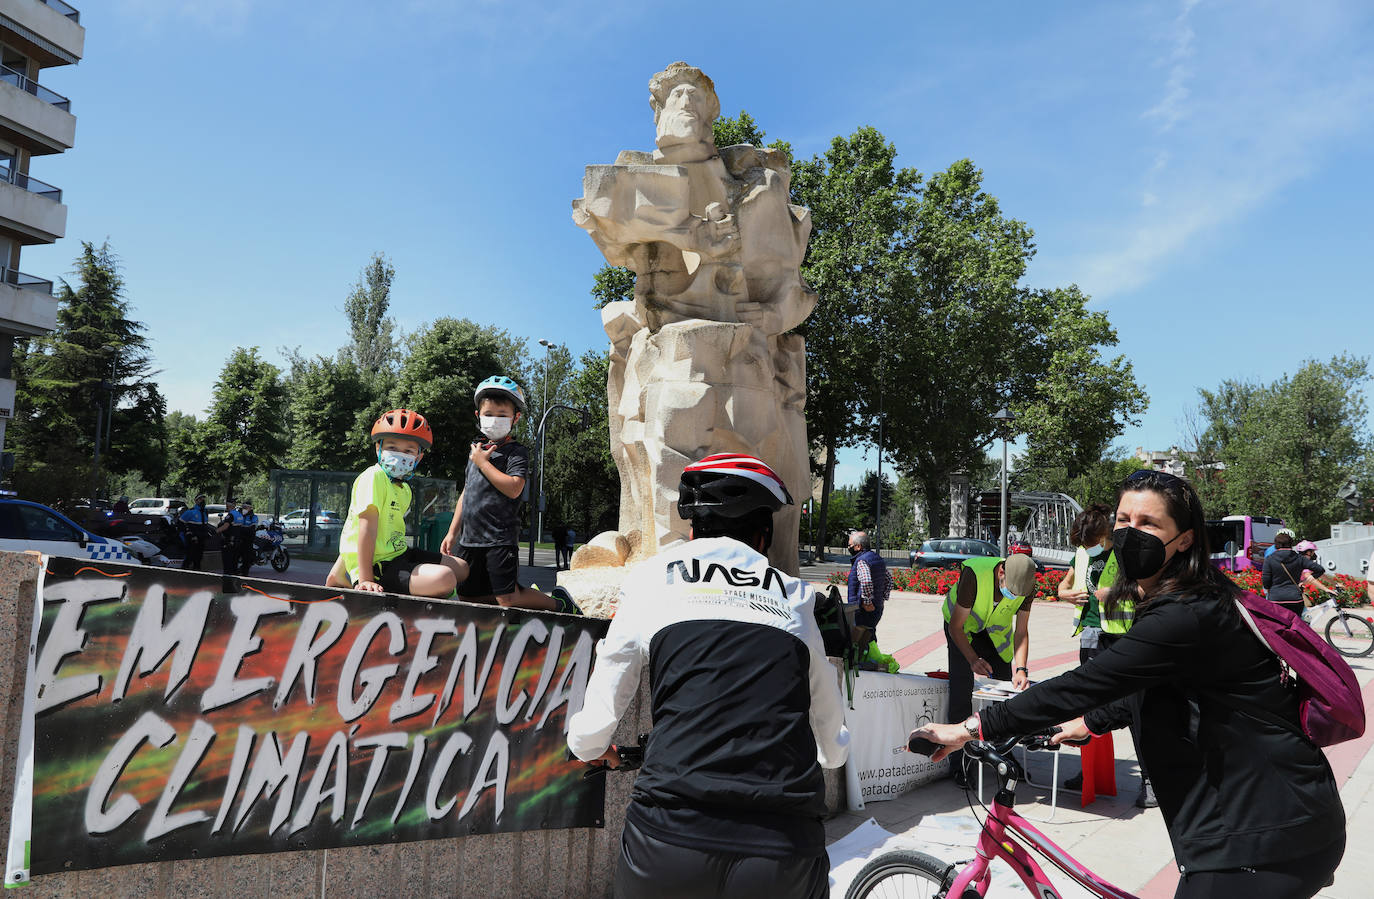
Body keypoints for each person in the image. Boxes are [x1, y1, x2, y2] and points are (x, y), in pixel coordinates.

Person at [912, 469, 1346, 899]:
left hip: (1263, 835)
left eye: (1149, 523)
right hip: (1264, 820)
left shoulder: (1186, 613)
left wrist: (969, 728)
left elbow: (1088, 682)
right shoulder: (1186, 596)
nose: (1129, 533)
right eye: (1123, 520)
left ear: (1186, 540)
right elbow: (1152, 682)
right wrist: (1093, 722)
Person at [567, 453, 849, 899]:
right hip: (784, 845)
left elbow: (600, 710)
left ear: (693, 530)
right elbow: (833, 748)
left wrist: (589, 746)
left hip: (671, 835)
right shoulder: (795, 597)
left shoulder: (651, 579)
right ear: (765, 533)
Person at [441, 377, 577, 613]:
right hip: (469, 540)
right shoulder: (476, 451)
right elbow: (467, 492)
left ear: (516, 418)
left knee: (507, 598)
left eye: (502, 414)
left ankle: (561, 604)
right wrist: (452, 532)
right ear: (478, 415)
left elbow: (514, 487)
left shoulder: (516, 452)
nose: (495, 419)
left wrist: (484, 464)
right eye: (489, 413)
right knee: (467, 596)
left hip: (500, 538)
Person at [1056, 504, 1155, 805]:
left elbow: (1145, 591)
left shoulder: (1125, 556)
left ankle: (1149, 781)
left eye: (1092, 541)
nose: (1088, 547)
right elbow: (1063, 587)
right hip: (1090, 637)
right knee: (1089, 707)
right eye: (1084, 543)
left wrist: (1115, 593)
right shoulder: (1083, 553)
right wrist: (1066, 593)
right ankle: (1090, 774)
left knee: (1136, 710)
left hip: (1122, 638)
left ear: (1105, 533)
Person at [337, 409, 468, 597]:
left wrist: (336, 572)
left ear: (418, 457)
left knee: (462, 567)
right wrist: (365, 579)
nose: (400, 455)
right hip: (378, 566)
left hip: (399, 554)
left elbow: (352, 527)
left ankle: (417, 581)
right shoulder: (373, 477)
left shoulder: (404, 489)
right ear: (378, 448)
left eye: (408, 451)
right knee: (445, 578)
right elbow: (364, 529)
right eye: (392, 447)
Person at [942, 551, 1036, 787]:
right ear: (1001, 572)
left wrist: (1021, 668)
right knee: (962, 691)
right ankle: (959, 761)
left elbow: (1022, 631)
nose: (1013, 596)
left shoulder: (1027, 584)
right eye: (1010, 590)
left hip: (994, 632)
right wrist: (973, 659)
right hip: (962, 629)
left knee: (1005, 695)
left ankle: (1003, 753)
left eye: (1017, 594)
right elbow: (956, 627)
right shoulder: (974, 575)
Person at [1262, 531, 1324, 616]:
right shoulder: (1299, 558)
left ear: (1276, 544)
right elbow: (1320, 569)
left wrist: (1270, 589)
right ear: (1291, 544)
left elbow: (1266, 580)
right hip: (1295, 599)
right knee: (1295, 625)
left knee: (1278, 625)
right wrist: (1305, 581)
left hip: (1276, 598)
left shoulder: (1270, 559)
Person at [846, 531, 891, 639]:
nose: (848, 548)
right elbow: (889, 580)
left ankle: (870, 655)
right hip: (877, 605)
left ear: (858, 546)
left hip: (863, 608)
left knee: (862, 638)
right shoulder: (877, 558)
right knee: (869, 634)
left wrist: (867, 602)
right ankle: (872, 655)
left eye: (850, 545)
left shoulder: (862, 560)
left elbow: (866, 581)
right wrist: (883, 597)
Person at [178, 494, 211, 571]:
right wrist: (188, 533)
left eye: (203, 499)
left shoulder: (205, 511)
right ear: (196, 501)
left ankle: (197, 571)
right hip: (193, 537)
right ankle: (184, 571)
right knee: (190, 555)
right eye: (200, 499)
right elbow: (180, 523)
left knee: (199, 557)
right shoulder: (191, 511)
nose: (202, 501)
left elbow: (205, 525)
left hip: (202, 537)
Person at [235, 499, 260, 574]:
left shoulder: (253, 517)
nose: (244, 509)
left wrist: (242, 529)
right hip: (239, 539)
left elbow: (252, 529)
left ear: (250, 508)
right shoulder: (239, 515)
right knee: (236, 556)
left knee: (246, 557)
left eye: (246, 507)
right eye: (243, 507)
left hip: (248, 540)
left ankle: (245, 572)